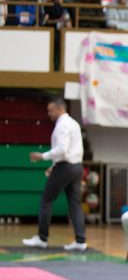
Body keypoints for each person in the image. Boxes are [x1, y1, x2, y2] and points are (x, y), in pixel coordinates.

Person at [23, 98, 87, 252]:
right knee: (75, 204)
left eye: (51, 110)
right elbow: (72, 149)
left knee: (46, 200)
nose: (49, 114)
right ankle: (80, 240)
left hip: (65, 167)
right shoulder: (74, 123)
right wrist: (54, 165)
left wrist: (42, 156)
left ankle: (42, 238)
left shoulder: (62, 125)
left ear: (59, 109)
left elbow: (62, 149)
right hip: (76, 167)